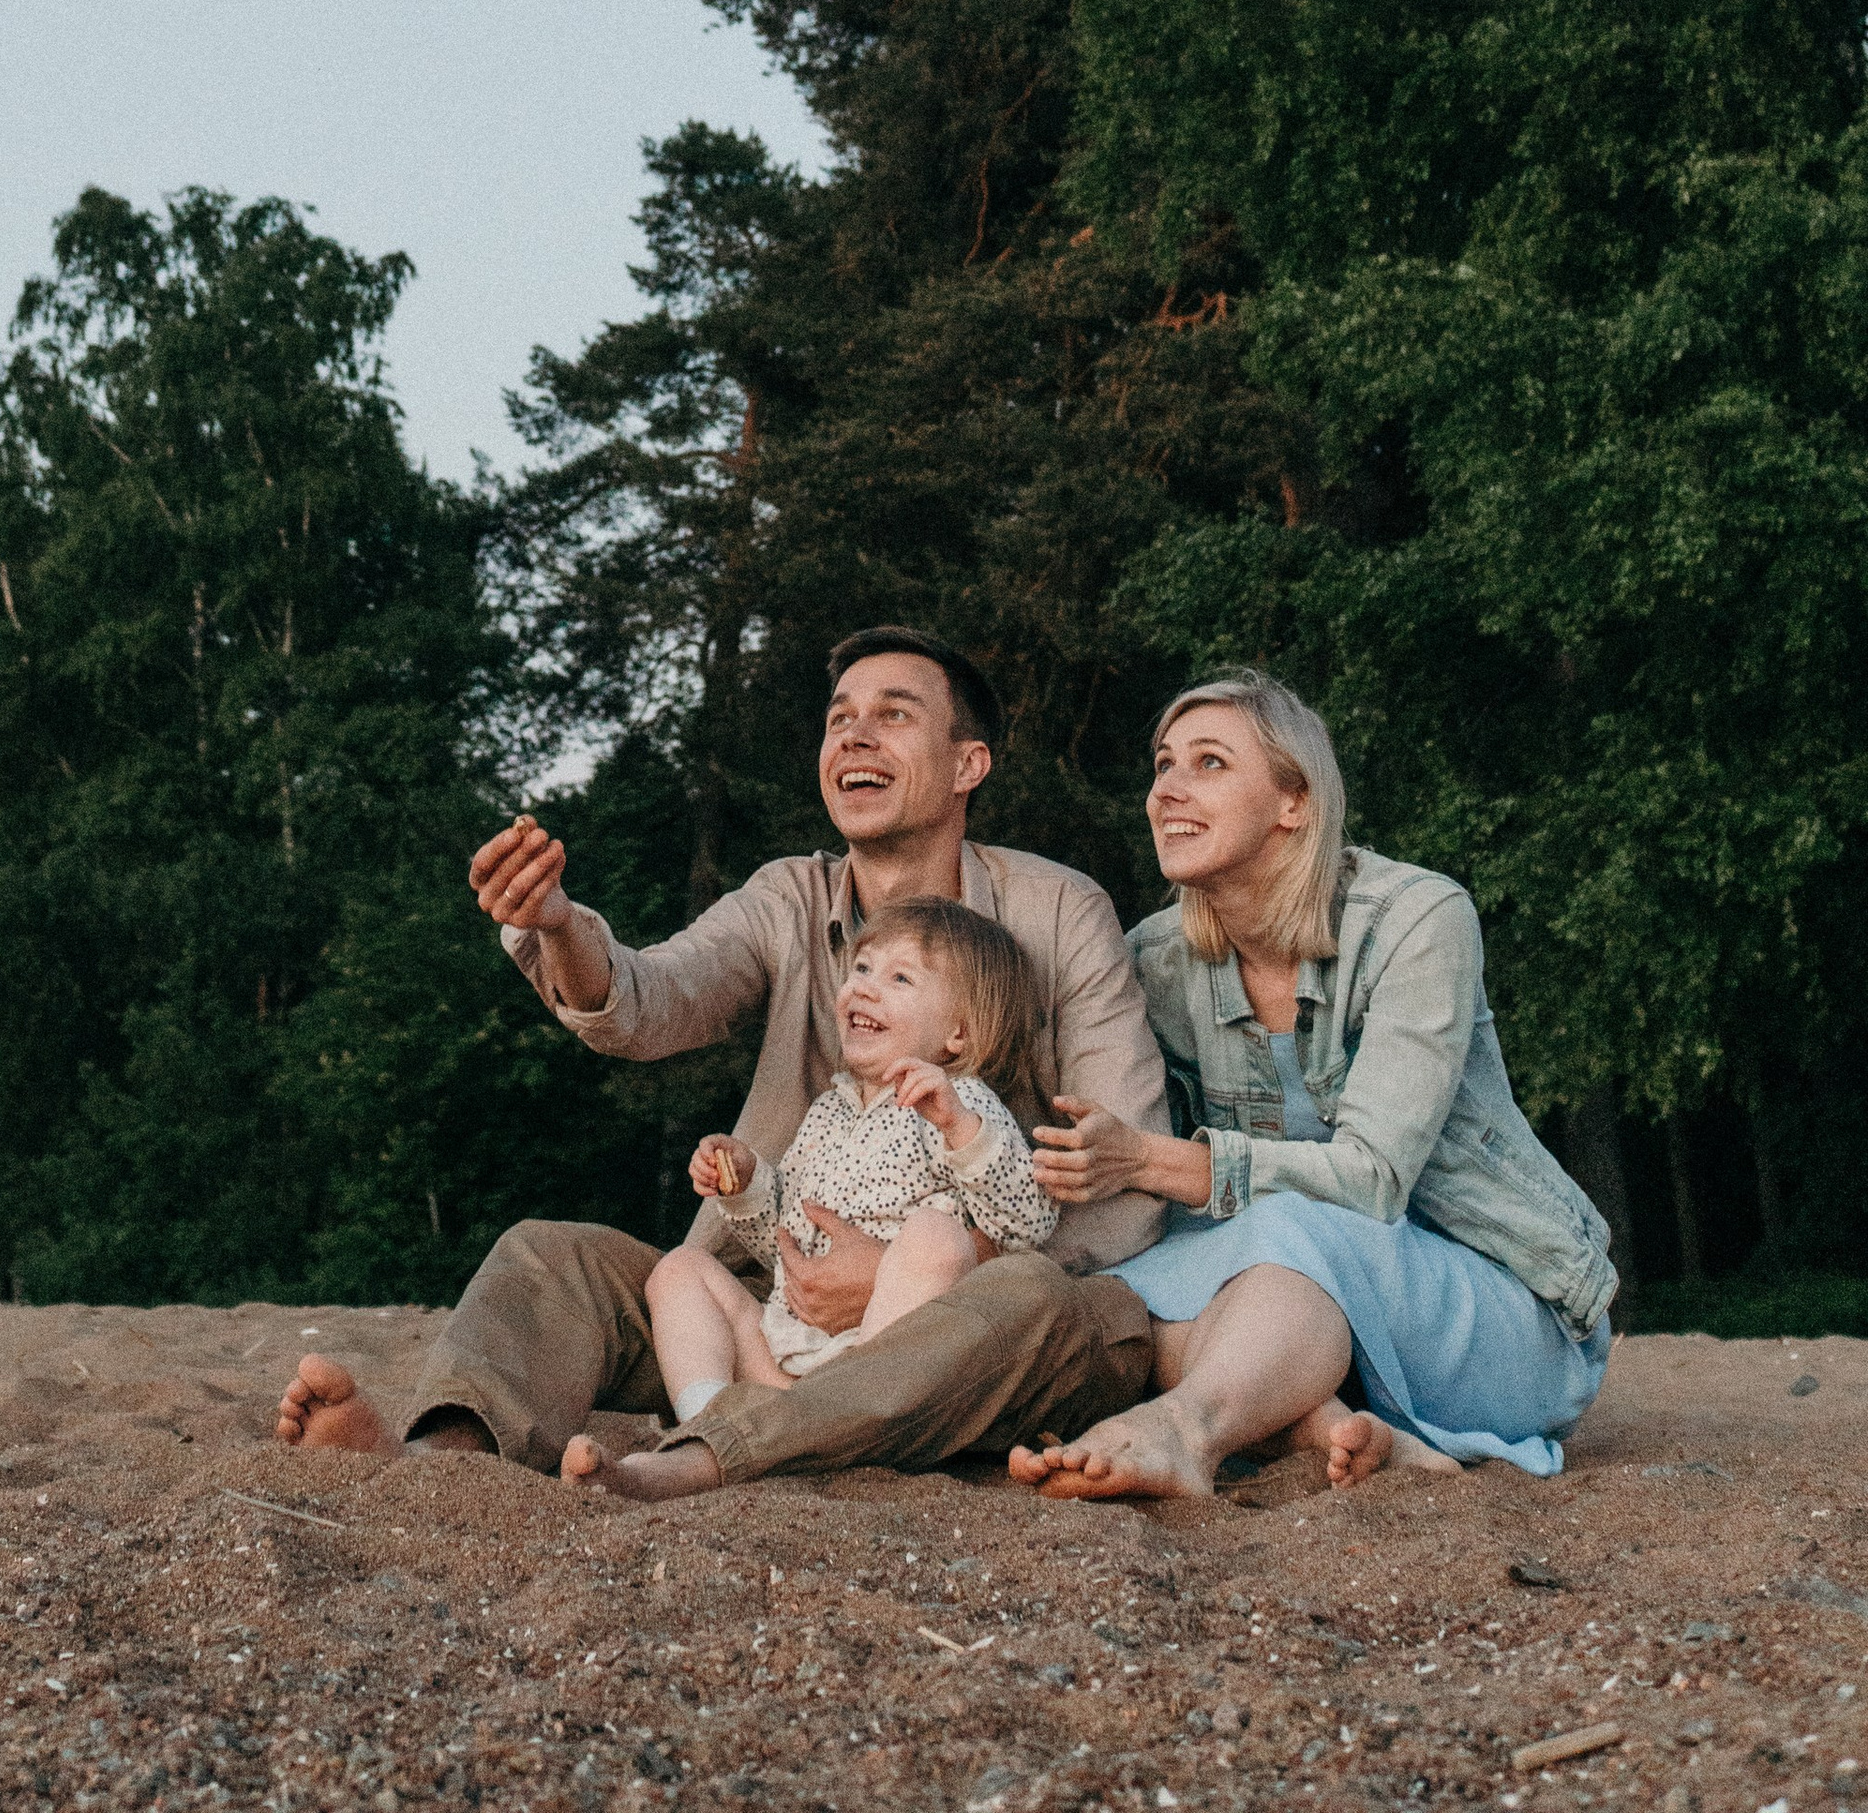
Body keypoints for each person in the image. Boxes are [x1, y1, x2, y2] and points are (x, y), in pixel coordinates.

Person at [275, 626, 1174, 1489]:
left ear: (966, 765)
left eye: (894, 713)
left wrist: (926, 1271)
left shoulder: (1059, 911)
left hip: (991, 1312)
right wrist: (558, 924)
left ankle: (700, 1462)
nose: (854, 732)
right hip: (778, 1295)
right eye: (838, 717)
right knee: (551, 1257)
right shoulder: (786, 896)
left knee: (1040, 1306)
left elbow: (1125, 1190)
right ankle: (443, 1462)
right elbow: (646, 1001)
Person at [1009, 668, 1619, 1501]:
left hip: (1503, 1319)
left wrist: (1150, 1161)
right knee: (1124, 1292)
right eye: (1162, 765)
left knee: (1291, 1222)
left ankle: (1187, 1429)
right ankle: (1331, 1428)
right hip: (1296, 1298)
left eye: (1209, 763)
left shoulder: (1416, 921)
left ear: (1293, 801)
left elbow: (1371, 1182)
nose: (1167, 791)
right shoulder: (1153, 961)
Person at [562, 896, 1060, 1496]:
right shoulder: (828, 1111)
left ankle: (803, 1435)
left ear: (959, 1033)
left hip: (881, 1383)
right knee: (680, 1269)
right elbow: (787, 1245)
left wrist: (957, 1128)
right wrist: (747, 1187)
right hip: (785, 1365)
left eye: (899, 977)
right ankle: (709, 1431)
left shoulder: (964, 1104)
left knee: (933, 1236)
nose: (866, 988)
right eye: (861, 969)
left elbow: (1027, 1226)